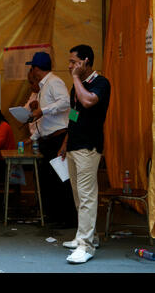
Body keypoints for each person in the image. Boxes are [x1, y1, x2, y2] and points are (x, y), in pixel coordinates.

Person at [58, 45, 111, 264]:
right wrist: (65, 142)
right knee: (79, 196)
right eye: (70, 62)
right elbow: (74, 114)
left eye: (74, 62)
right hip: (74, 146)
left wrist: (76, 79)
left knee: (88, 196)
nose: (70, 66)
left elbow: (88, 102)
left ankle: (86, 246)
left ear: (86, 61)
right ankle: (88, 236)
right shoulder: (76, 87)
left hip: (89, 147)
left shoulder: (101, 83)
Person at [24, 52, 77, 229]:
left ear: (36, 69)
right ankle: (55, 216)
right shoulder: (42, 87)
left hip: (59, 138)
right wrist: (33, 137)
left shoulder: (54, 82)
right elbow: (44, 121)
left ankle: (68, 219)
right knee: (49, 181)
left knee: (62, 181)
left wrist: (43, 110)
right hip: (47, 138)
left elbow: (65, 103)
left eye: (32, 68)